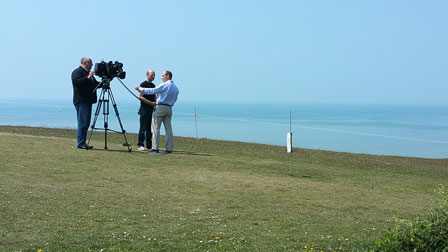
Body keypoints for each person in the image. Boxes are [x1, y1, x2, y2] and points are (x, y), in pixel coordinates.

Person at [134, 70, 179, 153]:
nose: (161, 77)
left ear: (168, 76)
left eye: (163, 76)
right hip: (169, 108)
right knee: (168, 129)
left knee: (155, 127)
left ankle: (155, 147)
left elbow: (152, 91)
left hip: (160, 107)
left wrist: (139, 88)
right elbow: (175, 98)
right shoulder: (175, 88)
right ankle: (169, 148)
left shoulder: (164, 85)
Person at [71, 56, 100, 149]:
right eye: (90, 63)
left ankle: (82, 142)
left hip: (88, 101)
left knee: (86, 123)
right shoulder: (77, 72)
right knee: (82, 122)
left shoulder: (88, 73)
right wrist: (88, 77)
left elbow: (95, 84)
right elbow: (76, 82)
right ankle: (80, 143)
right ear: (84, 63)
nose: (91, 65)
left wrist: (104, 82)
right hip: (81, 100)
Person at [137, 69, 157, 151]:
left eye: (154, 75)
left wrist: (154, 104)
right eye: (152, 75)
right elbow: (140, 96)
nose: (153, 76)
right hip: (145, 108)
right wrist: (150, 103)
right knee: (143, 127)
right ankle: (140, 144)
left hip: (151, 109)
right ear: (147, 75)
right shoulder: (143, 84)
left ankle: (149, 145)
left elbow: (154, 96)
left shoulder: (153, 85)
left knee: (150, 128)